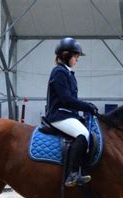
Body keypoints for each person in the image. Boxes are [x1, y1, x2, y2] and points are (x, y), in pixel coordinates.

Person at [45, 37, 98, 188]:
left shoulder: (68, 73)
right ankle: (72, 174)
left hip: (68, 114)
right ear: (66, 55)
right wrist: (86, 106)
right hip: (58, 115)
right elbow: (66, 99)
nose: (77, 60)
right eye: (76, 56)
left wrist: (84, 109)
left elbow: (72, 100)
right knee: (83, 135)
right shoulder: (59, 72)